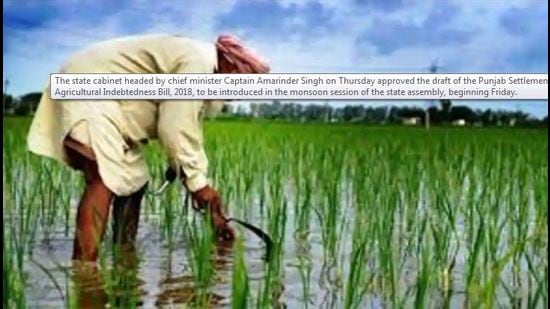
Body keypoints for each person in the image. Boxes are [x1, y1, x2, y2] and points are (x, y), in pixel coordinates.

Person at [27, 33, 270, 262]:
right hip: (88, 92)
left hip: (108, 103)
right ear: (229, 66)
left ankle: (124, 256)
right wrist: (199, 186)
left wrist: (192, 179)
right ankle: (85, 270)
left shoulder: (199, 67)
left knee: (135, 181)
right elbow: (175, 127)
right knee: (103, 177)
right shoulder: (198, 65)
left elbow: (188, 129)